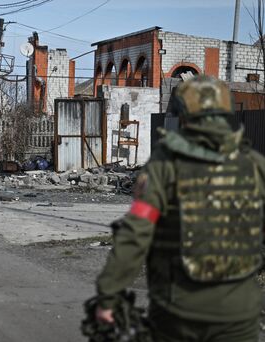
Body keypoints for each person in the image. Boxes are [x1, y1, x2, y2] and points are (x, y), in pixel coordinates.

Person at [93, 75, 265, 341]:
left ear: (184, 118)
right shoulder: (254, 166)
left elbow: (137, 232)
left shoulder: (164, 167)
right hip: (238, 313)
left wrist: (109, 293)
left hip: (179, 313)